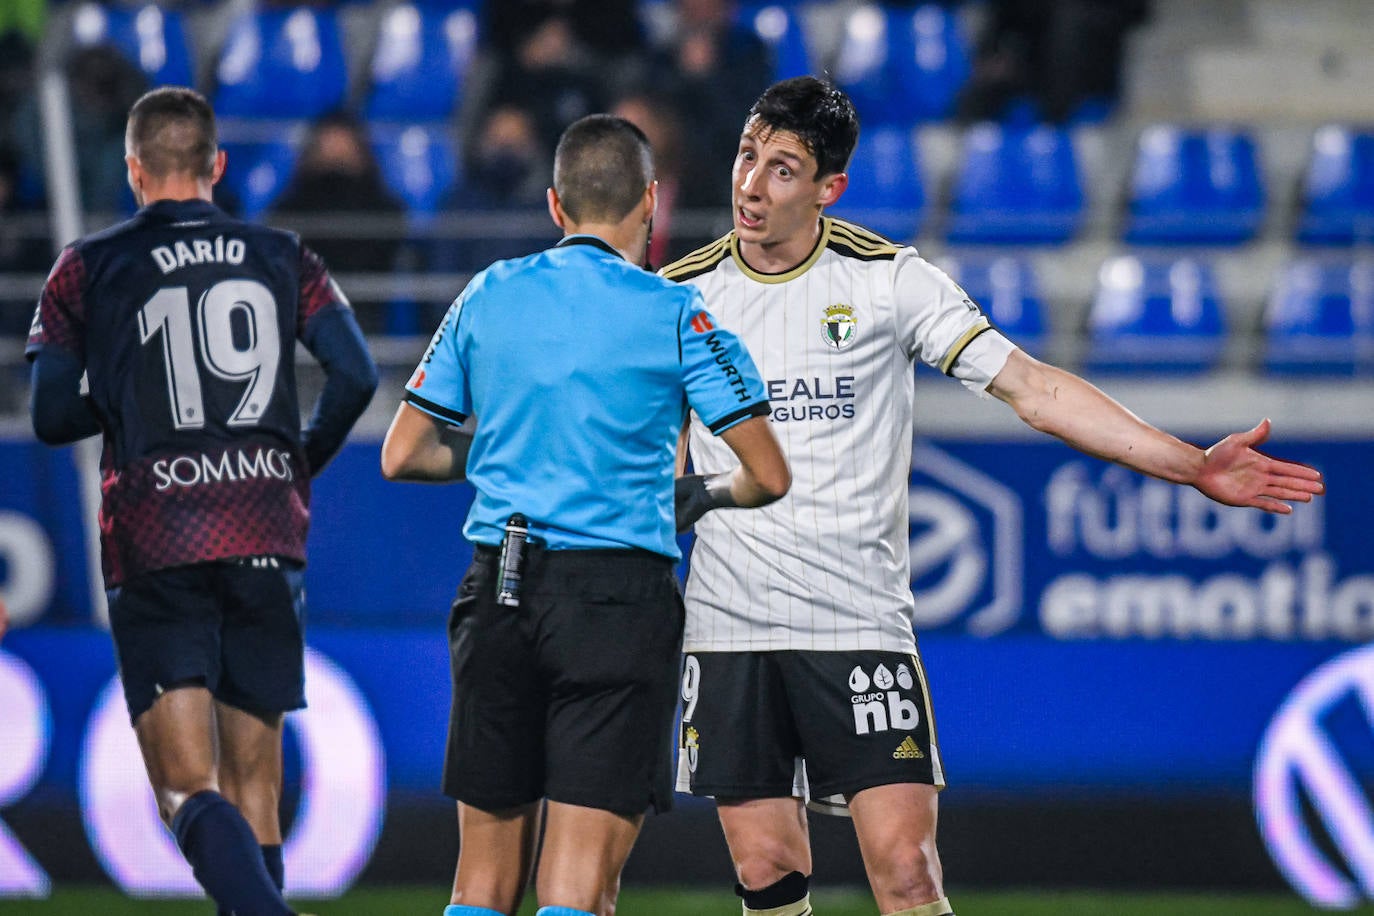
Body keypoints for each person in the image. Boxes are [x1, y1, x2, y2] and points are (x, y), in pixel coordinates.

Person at [662, 76, 1325, 916]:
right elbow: (658, 458)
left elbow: (1034, 390)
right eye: (748, 156)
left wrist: (1191, 465)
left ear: (831, 187)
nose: (751, 185)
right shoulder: (679, 297)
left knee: (905, 870)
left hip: (858, 621)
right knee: (765, 871)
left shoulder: (889, 282)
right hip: (730, 627)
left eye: (783, 169)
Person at [380, 113, 790, 916]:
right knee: (578, 890)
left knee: (480, 886)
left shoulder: (488, 293)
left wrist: (508, 450)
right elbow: (767, 474)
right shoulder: (676, 314)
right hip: (614, 602)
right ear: (650, 203)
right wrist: (702, 495)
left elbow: (403, 454)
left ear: (555, 206)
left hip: (498, 590)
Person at [26, 86, 378, 916]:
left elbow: (48, 416)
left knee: (187, 791)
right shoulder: (284, 253)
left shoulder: (88, 264)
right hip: (264, 527)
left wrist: (123, 398)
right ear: (217, 166)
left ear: (133, 170)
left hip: (157, 532)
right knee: (257, 796)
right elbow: (357, 375)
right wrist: (295, 465)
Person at [269, 111, 407, 333]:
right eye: (329, 146)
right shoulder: (292, 208)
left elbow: (382, 254)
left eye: (344, 146)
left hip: (362, 311)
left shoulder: (382, 208)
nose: (336, 153)